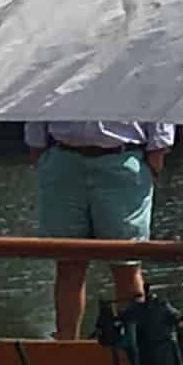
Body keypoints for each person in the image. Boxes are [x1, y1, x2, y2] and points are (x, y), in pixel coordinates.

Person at [24, 120, 174, 339]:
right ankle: (65, 351)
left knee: (127, 264)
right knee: (68, 264)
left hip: (124, 159)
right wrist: (36, 143)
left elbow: (159, 92)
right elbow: (40, 90)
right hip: (63, 160)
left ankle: (135, 353)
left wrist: (157, 150)